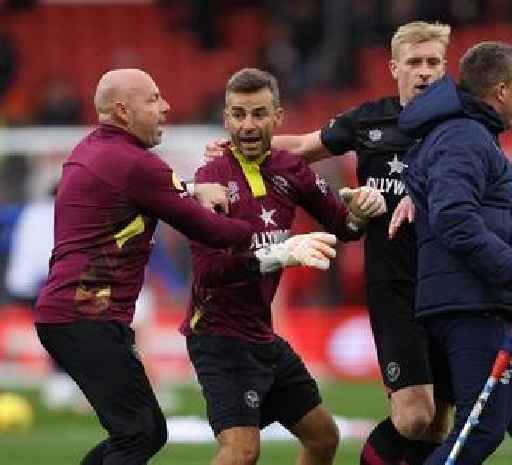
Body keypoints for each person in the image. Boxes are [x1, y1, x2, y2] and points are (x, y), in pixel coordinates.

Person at [33, 68, 338, 465]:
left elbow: (144, 191)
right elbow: (208, 229)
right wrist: (282, 245)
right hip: (86, 317)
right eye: (154, 99)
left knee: (142, 433)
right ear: (124, 111)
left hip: (73, 316)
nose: (165, 107)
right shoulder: (136, 163)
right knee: (141, 435)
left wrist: (191, 190)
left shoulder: (91, 150)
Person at [205, 21, 453, 465]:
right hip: (394, 284)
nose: (424, 72)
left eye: (433, 62)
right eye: (414, 63)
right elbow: (300, 146)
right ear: (394, 67)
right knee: (415, 417)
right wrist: (238, 149)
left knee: (439, 423)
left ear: (445, 67)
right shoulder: (370, 120)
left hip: (451, 285)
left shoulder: (463, 123)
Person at [182, 67, 386, 465]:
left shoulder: (290, 169)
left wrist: (361, 211)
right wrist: (278, 255)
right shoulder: (211, 179)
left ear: (278, 117)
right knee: (242, 450)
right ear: (226, 119)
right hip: (218, 336)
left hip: (261, 335)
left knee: (324, 438)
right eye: (238, 114)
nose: (248, 124)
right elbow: (209, 272)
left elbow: (343, 226)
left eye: (259, 114)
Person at [399, 42, 512, 464]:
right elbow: (455, 219)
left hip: (497, 307)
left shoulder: (472, 135)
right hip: (475, 306)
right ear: (501, 90)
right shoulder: (464, 136)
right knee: (479, 432)